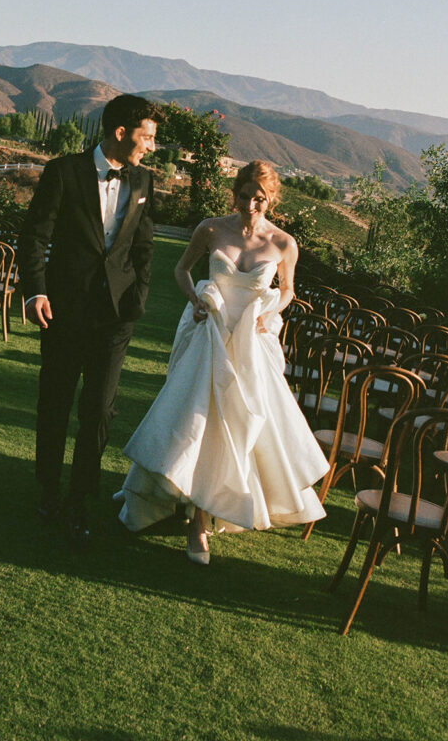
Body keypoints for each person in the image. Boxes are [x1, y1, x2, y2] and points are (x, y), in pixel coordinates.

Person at [116, 160, 330, 564]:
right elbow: (182, 270)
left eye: (259, 198)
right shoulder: (211, 228)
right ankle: (192, 518)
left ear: (271, 200)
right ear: (235, 193)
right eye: (245, 195)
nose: (250, 204)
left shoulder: (283, 242)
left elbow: (288, 291)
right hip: (209, 334)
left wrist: (272, 312)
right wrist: (196, 300)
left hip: (251, 343)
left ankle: (210, 507)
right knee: (195, 419)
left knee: (238, 423)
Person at [17, 94, 163, 544]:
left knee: (98, 409)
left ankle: (80, 500)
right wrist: (36, 291)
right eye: (147, 136)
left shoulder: (144, 182)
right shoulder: (64, 172)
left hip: (115, 318)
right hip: (62, 310)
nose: (152, 147)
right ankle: (48, 489)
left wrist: (136, 298)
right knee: (55, 402)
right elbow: (34, 235)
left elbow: (143, 246)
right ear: (121, 132)